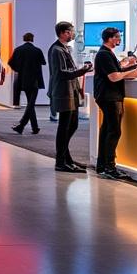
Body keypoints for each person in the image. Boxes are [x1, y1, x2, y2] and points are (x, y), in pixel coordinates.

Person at [93, 26, 137, 180]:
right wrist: (132, 70)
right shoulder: (104, 54)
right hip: (110, 97)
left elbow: (116, 72)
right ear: (110, 38)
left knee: (107, 130)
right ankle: (110, 167)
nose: (119, 39)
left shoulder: (106, 53)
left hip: (108, 96)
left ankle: (102, 165)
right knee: (114, 131)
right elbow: (114, 77)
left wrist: (127, 68)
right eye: (117, 37)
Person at [48, 22, 93, 172]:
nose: (72, 35)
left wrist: (79, 85)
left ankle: (66, 159)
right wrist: (82, 71)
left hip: (70, 91)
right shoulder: (57, 50)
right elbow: (62, 73)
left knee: (72, 125)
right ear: (62, 33)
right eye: (70, 32)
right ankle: (61, 161)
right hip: (63, 92)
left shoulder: (64, 48)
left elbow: (68, 70)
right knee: (65, 127)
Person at [8, 32, 47, 135]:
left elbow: (10, 63)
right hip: (35, 81)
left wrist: (18, 69)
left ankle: (32, 127)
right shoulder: (37, 50)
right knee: (31, 103)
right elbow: (43, 62)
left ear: (24, 39)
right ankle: (23, 126)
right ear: (32, 39)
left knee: (30, 103)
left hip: (23, 80)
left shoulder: (18, 50)